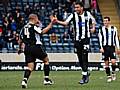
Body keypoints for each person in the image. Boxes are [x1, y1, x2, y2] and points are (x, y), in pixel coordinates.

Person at [54, 1, 96, 84]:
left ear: (82, 8)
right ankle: (86, 72)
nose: (76, 9)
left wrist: (93, 28)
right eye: (75, 7)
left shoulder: (87, 14)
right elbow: (66, 23)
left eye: (77, 7)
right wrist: (57, 21)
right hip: (77, 40)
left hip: (86, 39)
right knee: (80, 58)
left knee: (84, 56)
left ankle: (84, 77)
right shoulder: (73, 15)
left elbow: (93, 20)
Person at [18, 14, 55, 88]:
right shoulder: (33, 26)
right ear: (34, 19)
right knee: (46, 60)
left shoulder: (23, 28)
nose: (38, 20)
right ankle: (46, 79)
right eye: (37, 19)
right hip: (36, 47)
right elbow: (42, 32)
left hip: (27, 48)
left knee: (30, 67)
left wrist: (19, 49)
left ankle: (24, 81)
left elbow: (20, 40)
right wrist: (51, 24)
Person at [98, 16, 120, 83]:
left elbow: (116, 38)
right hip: (105, 48)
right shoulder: (101, 29)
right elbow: (100, 39)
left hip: (112, 47)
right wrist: (101, 47)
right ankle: (109, 76)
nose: (105, 22)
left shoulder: (114, 28)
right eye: (104, 21)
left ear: (109, 21)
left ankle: (113, 72)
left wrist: (118, 48)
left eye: (106, 21)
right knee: (106, 63)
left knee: (113, 62)